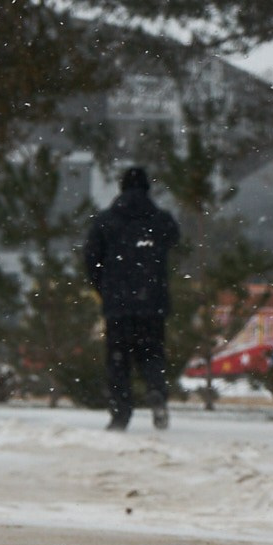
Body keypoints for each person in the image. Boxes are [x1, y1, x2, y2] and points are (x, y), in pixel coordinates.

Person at [83, 164, 183, 431]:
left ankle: (120, 414)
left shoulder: (106, 221)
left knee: (119, 360)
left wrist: (104, 288)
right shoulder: (160, 219)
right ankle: (157, 391)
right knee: (152, 353)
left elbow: (91, 260)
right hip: (153, 302)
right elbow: (174, 239)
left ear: (122, 188)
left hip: (118, 305)